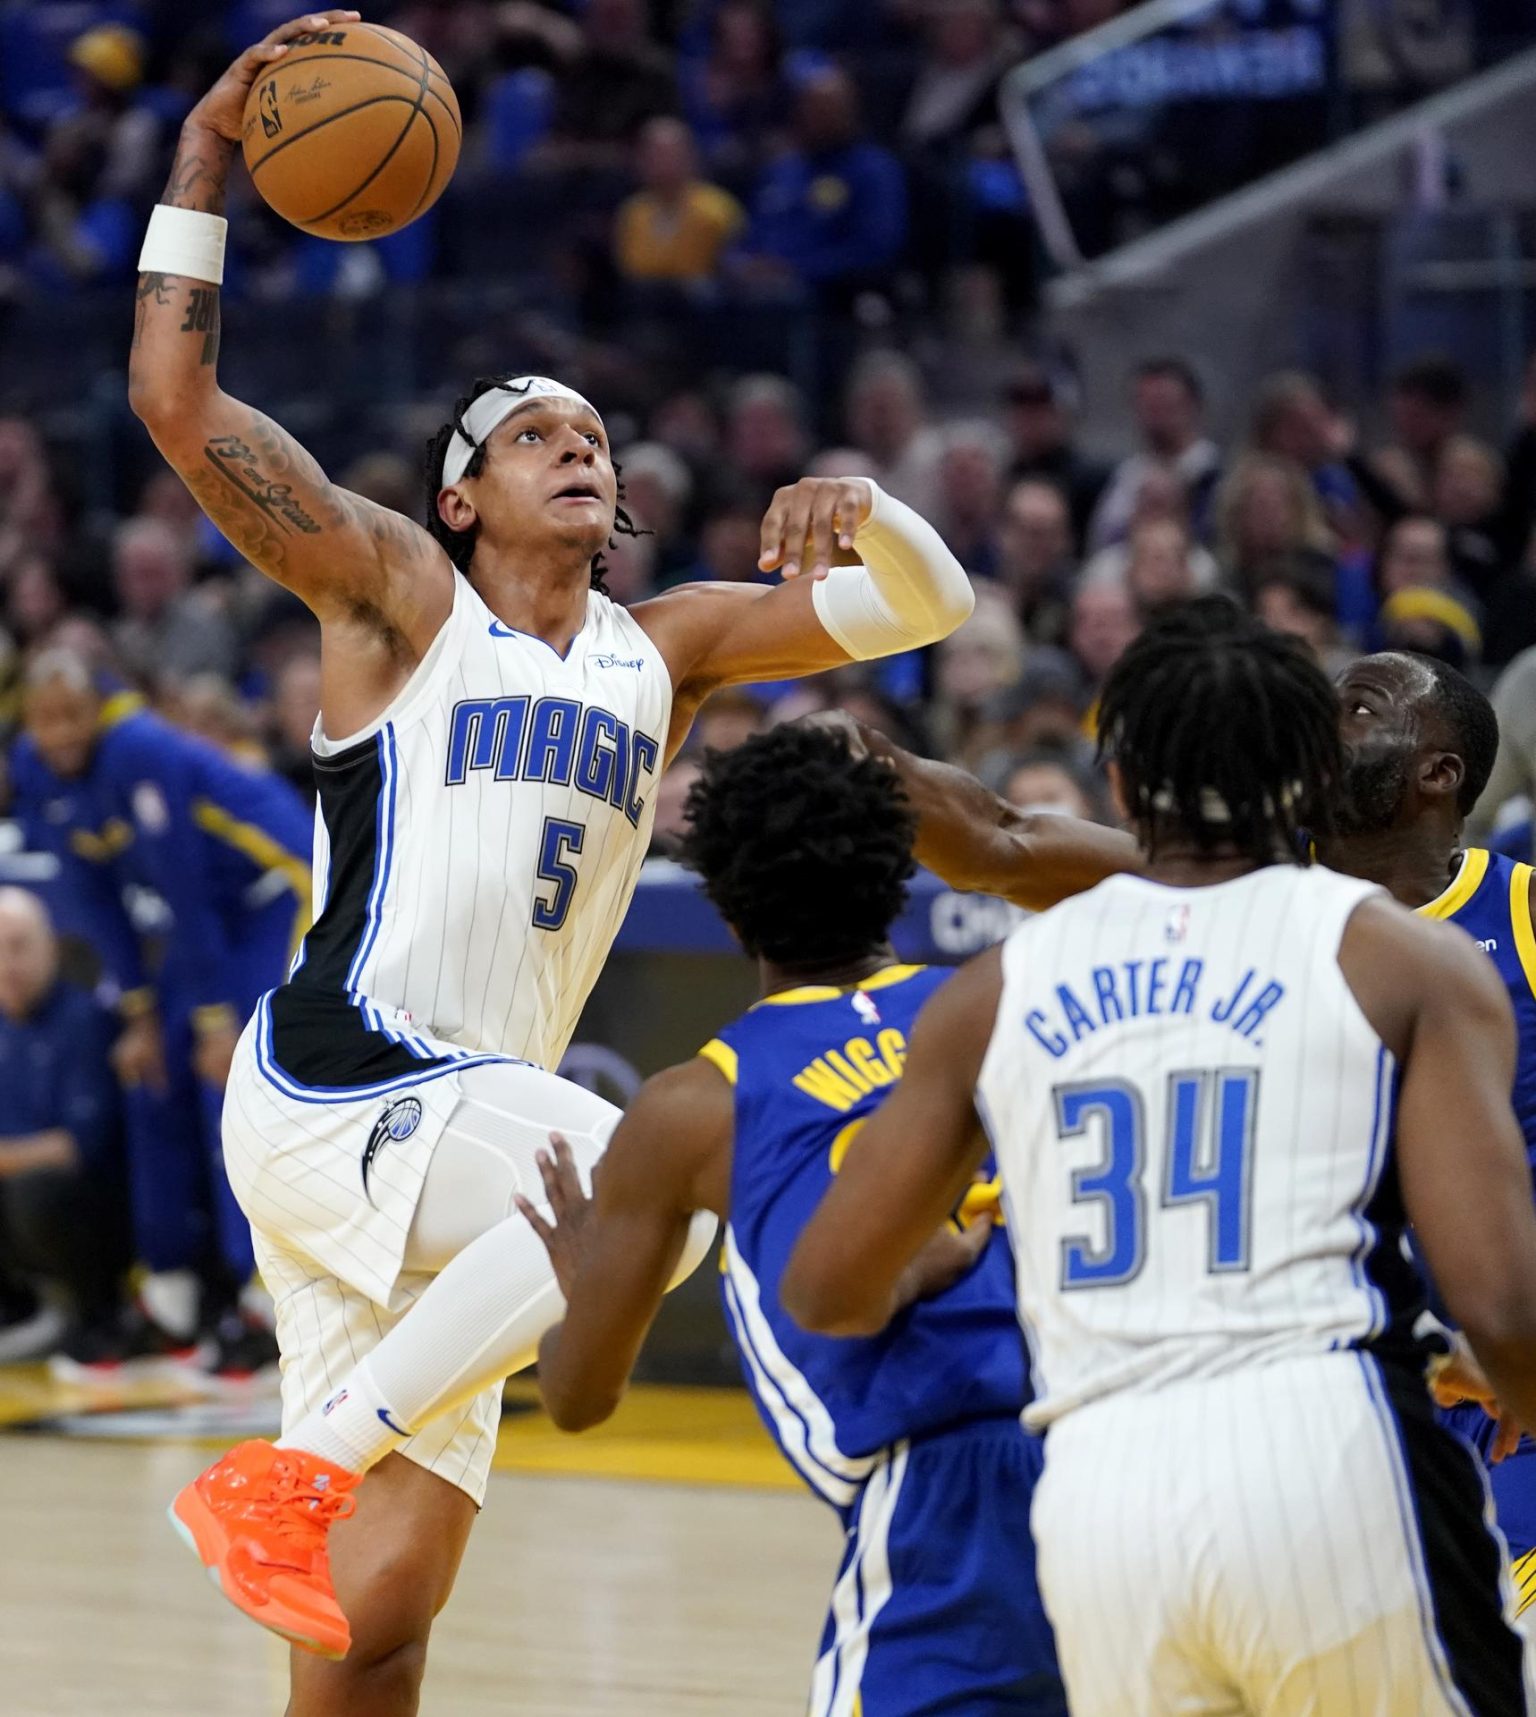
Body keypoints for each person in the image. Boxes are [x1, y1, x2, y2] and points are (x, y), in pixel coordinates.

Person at [128, 17, 974, 1710]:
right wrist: (209, 155)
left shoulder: (665, 650)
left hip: (462, 1149)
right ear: (455, 500)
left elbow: (927, 602)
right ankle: (286, 1467)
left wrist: (861, 503)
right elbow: (175, 398)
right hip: (339, 1079)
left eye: (593, 433)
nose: (578, 443)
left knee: (377, 1619)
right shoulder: (393, 597)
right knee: (638, 1170)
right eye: (531, 433)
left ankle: (298, 1487)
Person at [784, 601, 1536, 1714]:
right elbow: (998, 833)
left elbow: (827, 1286)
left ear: (1441, 772)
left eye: (1361, 707)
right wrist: (848, 745)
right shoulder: (1376, 954)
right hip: (1351, 1410)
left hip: (1124, 1488)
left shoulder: (1508, 914)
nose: (1334, 724)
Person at [520, 724, 1067, 1717]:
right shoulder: (1002, 1001)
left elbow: (578, 1395)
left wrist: (580, 1273)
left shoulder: (691, 1111)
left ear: (724, 908)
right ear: (899, 874)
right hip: (1112, 1443)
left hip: (942, 1496)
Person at [11, 650, 312, 1372]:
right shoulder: (31, 765)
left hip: (282, 887)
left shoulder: (140, 747)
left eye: (70, 716)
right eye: (43, 719)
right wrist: (142, 1012)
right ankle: (172, 1298)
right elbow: (92, 897)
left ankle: (265, 1305)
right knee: (153, 1077)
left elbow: (185, 886)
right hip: (204, 922)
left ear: (97, 709)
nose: (58, 734)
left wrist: (216, 1020)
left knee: (233, 1083)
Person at [0, 887, 125, 1365]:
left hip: (97, 1210)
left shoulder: (85, 1020)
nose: (8, 964)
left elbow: (78, 1147)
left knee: (38, 1191)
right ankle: (16, 1307)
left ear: (50, 947)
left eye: (19, 946)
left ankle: (98, 1316)